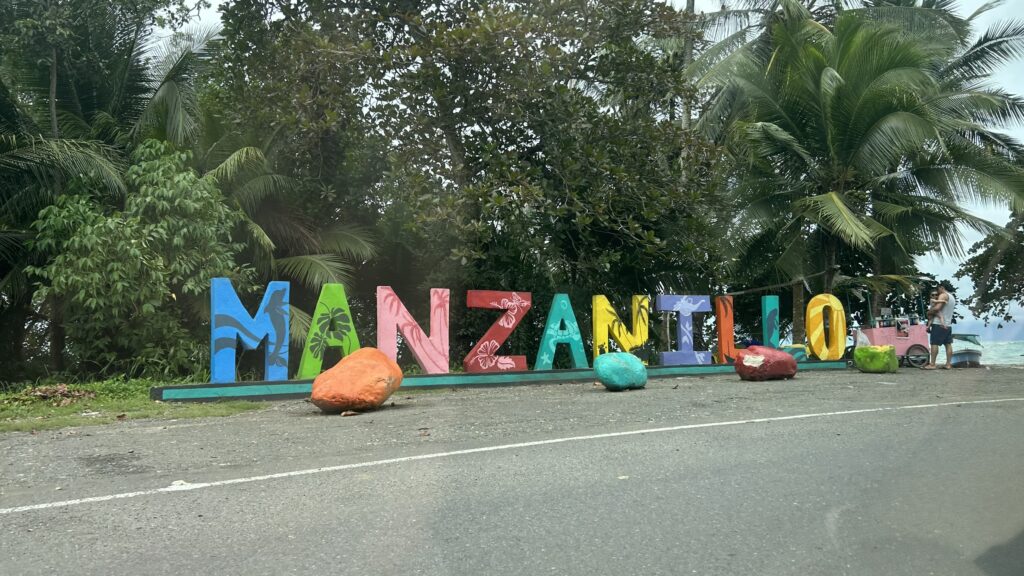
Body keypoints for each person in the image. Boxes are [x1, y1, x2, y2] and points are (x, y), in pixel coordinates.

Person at [923, 281, 956, 370]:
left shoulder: (943, 295)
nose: (938, 292)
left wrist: (929, 312)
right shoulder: (952, 297)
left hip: (938, 324)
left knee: (934, 343)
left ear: (942, 287)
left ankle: (932, 364)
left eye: (938, 289)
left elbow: (937, 308)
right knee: (948, 344)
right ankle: (948, 364)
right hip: (948, 324)